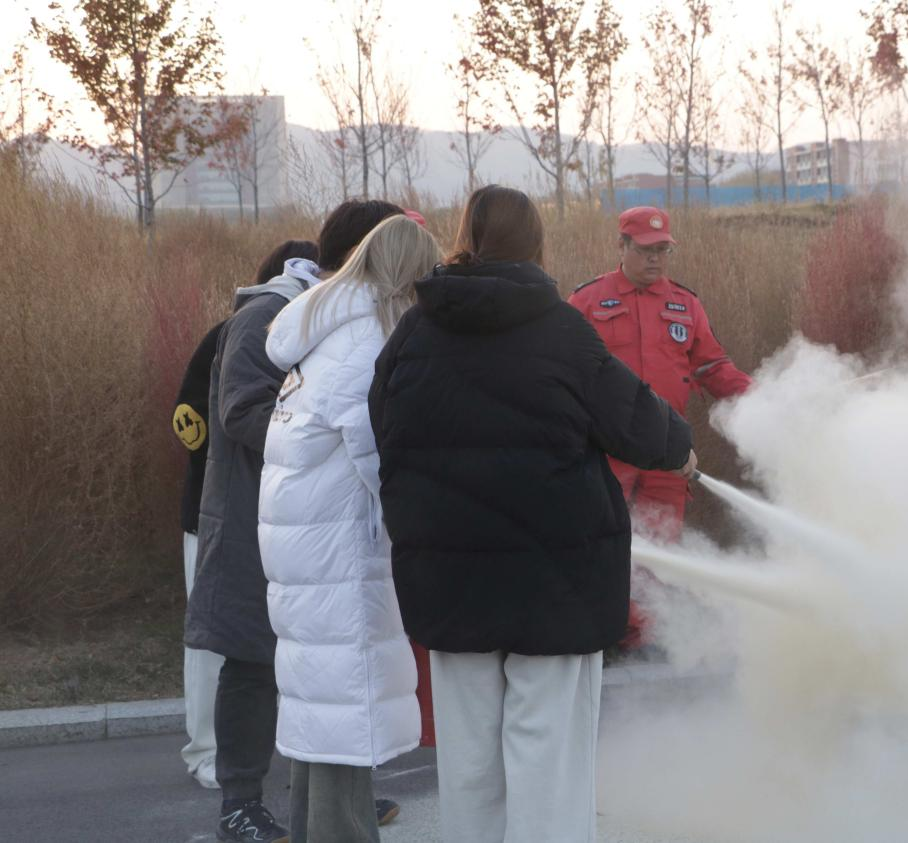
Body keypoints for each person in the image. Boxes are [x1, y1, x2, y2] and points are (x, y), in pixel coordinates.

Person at [370, 185, 697, 843]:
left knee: (468, 762)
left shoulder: (415, 330)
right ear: (535, 244)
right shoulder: (561, 330)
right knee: (548, 759)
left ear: (466, 239)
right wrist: (679, 447)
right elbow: (638, 424)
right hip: (557, 586)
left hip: (449, 582)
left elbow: (383, 421)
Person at [185, 199, 405, 843]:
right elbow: (241, 411)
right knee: (253, 661)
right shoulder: (267, 315)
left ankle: (333, 795)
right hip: (256, 520)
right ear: (362, 253)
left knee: (323, 667)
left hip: (314, 524)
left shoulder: (337, 313)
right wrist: (321, 440)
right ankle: (239, 802)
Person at [259, 215, 441, 843]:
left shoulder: (320, 326)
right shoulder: (366, 339)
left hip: (304, 545)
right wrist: (423, 523)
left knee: (320, 707)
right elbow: (377, 454)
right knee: (345, 710)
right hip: (338, 552)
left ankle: (316, 830)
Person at [568, 206, 752, 645]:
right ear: (622, 246)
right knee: (603, 541)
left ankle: (643, 639)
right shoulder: (587, 302)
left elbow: (712, 367)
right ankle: (605, 634)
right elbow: (563, 371)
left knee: (660, 547)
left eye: (663, 250)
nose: (656, 259)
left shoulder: (685, 305)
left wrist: (761, 398)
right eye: (647, 250)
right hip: (607, 452)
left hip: (667, 453)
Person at [172, 240, 317, 791]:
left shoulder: (304, 336)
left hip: (272, 514)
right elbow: (189, 418)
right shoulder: (232, 333)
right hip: (215, 513)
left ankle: (276, 761)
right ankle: (205, 751)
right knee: (217, 648)